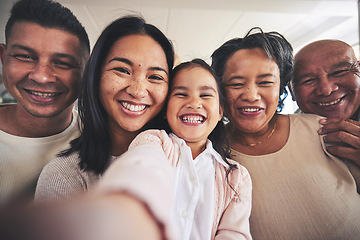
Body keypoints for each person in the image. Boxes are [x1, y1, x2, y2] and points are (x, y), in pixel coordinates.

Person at [211, 28, 360, 239]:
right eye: (236, 84)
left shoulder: (324, 129)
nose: (252, 96)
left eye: (265, 82)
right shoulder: (210, 151)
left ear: (282, 88)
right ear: (219, 90)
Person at [97, 58, 252, 239]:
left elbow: (234, 235)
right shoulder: (153, 141)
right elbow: (140, 167)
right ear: (165, 109)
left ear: (220, 111)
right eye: (181, 94)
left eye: (205, 95)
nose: (194, 103)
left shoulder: (236, 177)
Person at [35, 16, 174, 202]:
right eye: (123, 70)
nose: (138, 91)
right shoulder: (63, 176)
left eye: (156, 77)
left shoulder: (186, 158)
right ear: (96, 76)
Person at [0, 0, 90, 206]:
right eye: (25, 56)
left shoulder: (101, 143)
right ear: (3, 57)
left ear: (87, 71)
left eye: (63, 63)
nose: (41, 76)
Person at [291, 39, 360, 164]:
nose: (326, 90)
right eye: (308, 81)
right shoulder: (289, 137)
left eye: (339, 72)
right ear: (292, 92)